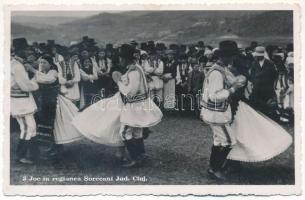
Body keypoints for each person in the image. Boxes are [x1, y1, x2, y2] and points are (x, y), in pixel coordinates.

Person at [73, 44, 163, 168]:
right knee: (137, 131)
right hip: (140, 104)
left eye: (121, 57)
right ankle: (141, 155)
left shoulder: (133, 72)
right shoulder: (137, 68)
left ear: (125, 58)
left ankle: (136, 158)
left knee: (125, 132)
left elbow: (130, 93)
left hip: (133, 105)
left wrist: (118, 82)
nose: (120, 60)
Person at [200, 40, 246, 180]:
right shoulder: (217, 73)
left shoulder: (222, 68)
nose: (234, 59)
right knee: (228, 141)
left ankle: (213, 168)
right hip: (217, 113)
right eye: (232, 56)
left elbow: (234, 80)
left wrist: (239, 80)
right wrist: (233, 89)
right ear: (225, 56)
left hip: (217, 111)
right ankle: (215, 169)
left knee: (219, 141)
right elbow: (215, 96)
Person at [11, 38, 39, 164]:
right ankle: (20, 155)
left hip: (23, 101)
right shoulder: (17, 66)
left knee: (31, 127)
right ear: (19, 50)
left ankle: (33, 154)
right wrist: (35, 82)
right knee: (27, 128)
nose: (29, 51)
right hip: (19, 102)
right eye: (26, 49)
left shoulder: (19, 64)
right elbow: (25, 86)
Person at [248, 46, 278, 119]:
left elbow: (275, 75)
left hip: (267, 88)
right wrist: (255, 82)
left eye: (258, 56)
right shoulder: (253, 63)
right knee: (257, 105)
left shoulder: (270, 63)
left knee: (267, 105)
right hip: (257, 88)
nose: (257, 57)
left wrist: (269, 83)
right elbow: (251, 75)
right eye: (256, 56)